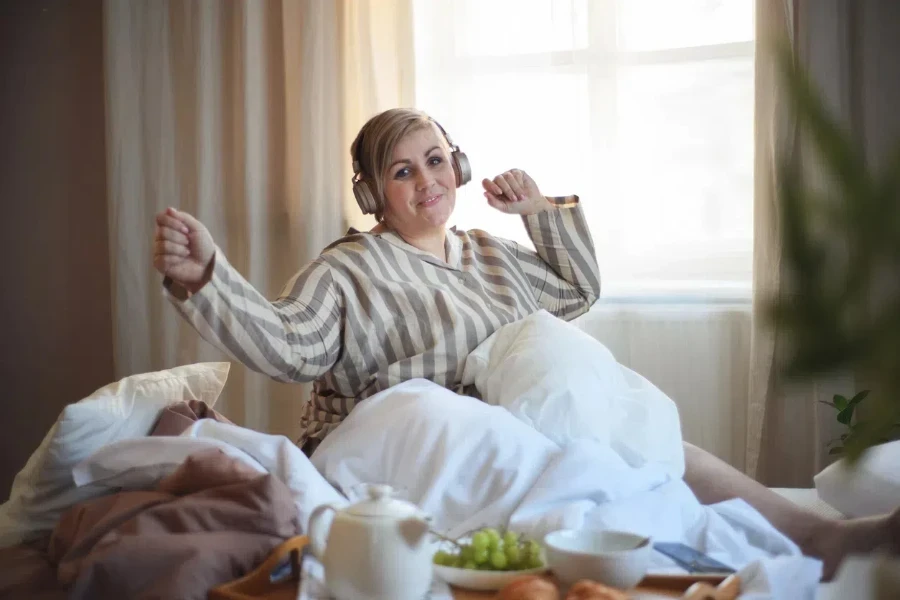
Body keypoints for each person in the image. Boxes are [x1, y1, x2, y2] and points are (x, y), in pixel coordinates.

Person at [153, 108, 897, 580]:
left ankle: (823, 538)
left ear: (460, 166)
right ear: (376, 192)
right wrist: (209, 277)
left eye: (437, 160)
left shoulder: (487, 252)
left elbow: (576, 291)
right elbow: (290, 344)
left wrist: (538, 211)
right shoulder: (349, 266)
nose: (427, 180)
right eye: (402, 170)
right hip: (404, 433)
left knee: (656, 450)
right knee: (564, 471)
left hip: (508, 433)